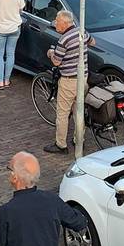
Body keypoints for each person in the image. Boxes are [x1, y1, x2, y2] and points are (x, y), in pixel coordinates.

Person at [0, 152, 86, 246]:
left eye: (9, 169)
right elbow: (79, 222)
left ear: (15, 177)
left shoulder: (6, 212)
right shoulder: (52, 200)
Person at [44, 10, 94, 154]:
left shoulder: (64, 39)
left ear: (65, 23)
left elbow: (57, 62)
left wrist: (51, 53)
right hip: (83, 79)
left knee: (62, 114)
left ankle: (61, 145)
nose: (55, 23)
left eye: (57, 21)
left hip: (68, 81)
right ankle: (79, 140)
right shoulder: (81, 31)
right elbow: (93, 41)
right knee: (79, 111)